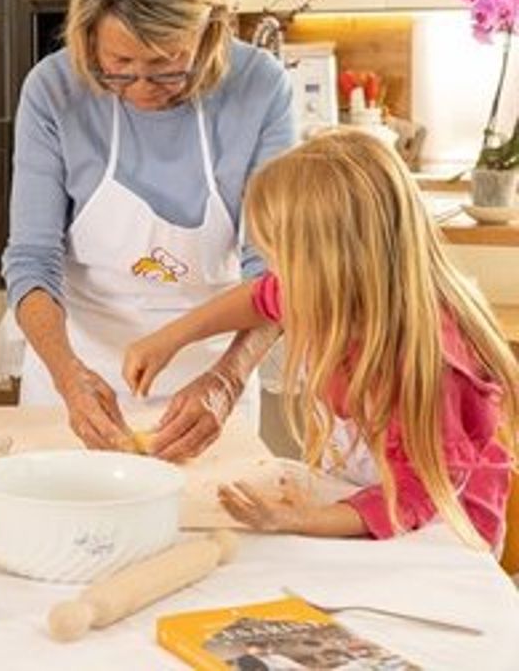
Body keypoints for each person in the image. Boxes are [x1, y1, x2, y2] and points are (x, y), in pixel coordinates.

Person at [124, 131, 519, 549]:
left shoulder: (428, 363)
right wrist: (170, 339)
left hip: (443, 533)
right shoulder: (340, 294)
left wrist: (298, 520)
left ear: (332, 264)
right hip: (368, 498)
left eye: (282, 258)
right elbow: (260, 298)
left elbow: (414, 496)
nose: (276, 274)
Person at [1, 0, 293, 460]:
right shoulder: (52, 90)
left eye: (165, 67)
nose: (140, 89)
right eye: (118, 66)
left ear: (208, 33)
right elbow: (32, 260)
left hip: (210, 374)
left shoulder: (262, 88)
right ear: (88, 38)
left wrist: (227, 381)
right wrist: (69, 378)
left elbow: (276, 273)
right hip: (76, 365)